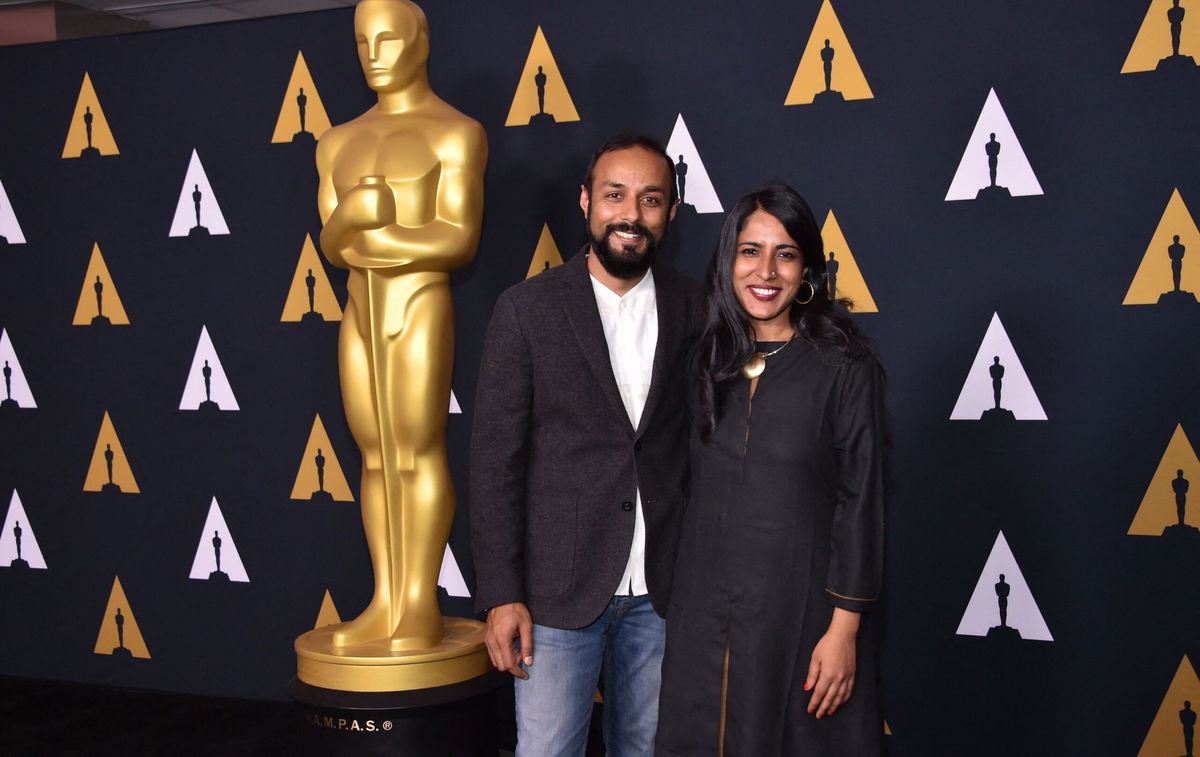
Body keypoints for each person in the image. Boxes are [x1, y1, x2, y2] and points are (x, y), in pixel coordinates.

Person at [471, 134, 699, 756]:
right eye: (615, 195)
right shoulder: (526, 310)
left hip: (663, 594)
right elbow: (495, 465)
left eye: (651, 198)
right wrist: (500, 594)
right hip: (553, 595)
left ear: (671, 211)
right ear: (585, 201)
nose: (631, 214)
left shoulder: (699, 309)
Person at [657, 183, 885, 756]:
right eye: (750, 250)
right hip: (700, 614)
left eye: (785, 253)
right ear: (728, 260)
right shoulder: (702, 360)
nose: (767, 270)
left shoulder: (844, 367)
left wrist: (844, 629)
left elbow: (861, 501)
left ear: (807, 267)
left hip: (800, 613)